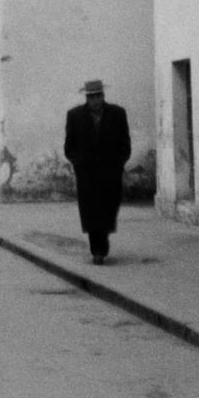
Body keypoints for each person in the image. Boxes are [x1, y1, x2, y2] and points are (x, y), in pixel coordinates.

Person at [63, 79, 131, 265]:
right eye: (91, 97)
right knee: (91, 211)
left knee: (109, 209)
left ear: (103, 96)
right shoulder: (75, 116)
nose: (95, 100)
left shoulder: (117, 114)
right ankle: (97, 250)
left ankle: (103, 241)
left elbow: (125, 144)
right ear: (87, 97)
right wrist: (79, 164)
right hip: (87, 174)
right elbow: (69, 147)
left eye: (98, 96)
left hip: (110, 172)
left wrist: (118, 163)